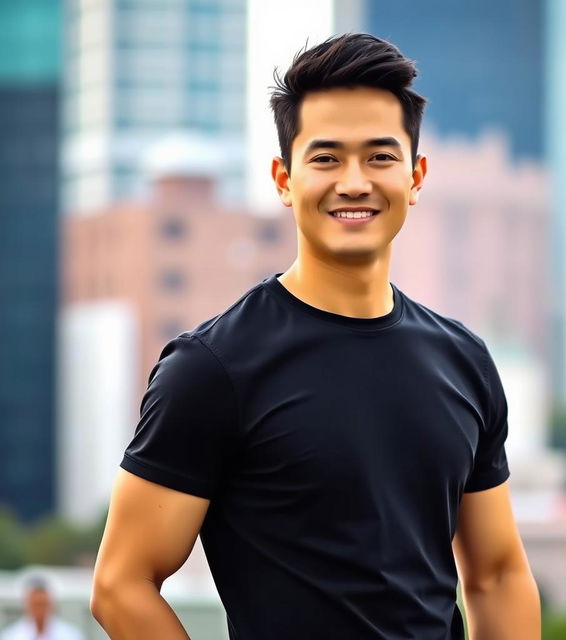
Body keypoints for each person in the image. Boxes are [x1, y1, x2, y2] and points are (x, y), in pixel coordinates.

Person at [91, 33, 541, 639]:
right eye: (326, 158)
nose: (354, 182)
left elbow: (496, 574)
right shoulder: (213, 367)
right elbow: (121, 583)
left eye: (380, 157)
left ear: (415, 176)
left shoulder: (462, 359)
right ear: (283, 178)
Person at [1, 578, 85, 640]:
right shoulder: (10, 636)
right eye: (35, 604)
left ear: (52, 605)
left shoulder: (71, 635)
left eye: (43, 604)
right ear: (26, 605)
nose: (39, 609)